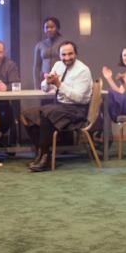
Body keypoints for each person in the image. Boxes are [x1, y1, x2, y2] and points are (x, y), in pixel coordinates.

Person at [22, 41, 92, 172]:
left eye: (70, 54)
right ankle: (41, 152)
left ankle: (46, 157)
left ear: (76, 53)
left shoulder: (83, 70)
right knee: (26, 115)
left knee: (47, 113)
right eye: (63, 54)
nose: (67, 58)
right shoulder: (58, 65)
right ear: (59, 55)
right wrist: (47, 82)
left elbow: (79, 98)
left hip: (77, 109)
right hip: (60, 106)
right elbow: (45, 88)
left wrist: (59, 84)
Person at [32, 17, 64, 84]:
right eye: (46, 27)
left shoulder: (64, 43)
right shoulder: (40, 45)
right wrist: (36, 85)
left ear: (57, 28)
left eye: (52, 27)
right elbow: (36, 67)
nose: (49, 29)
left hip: (60, 78)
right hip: (44, 79)